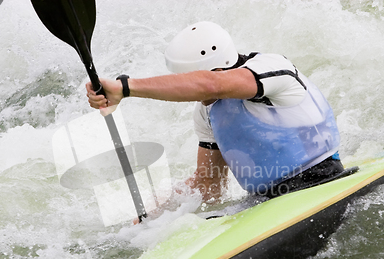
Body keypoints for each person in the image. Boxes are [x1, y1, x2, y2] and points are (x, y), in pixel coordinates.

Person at [86, 21, 344, 203]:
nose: (192, 95)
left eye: (191, 81)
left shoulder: (272, 68)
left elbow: (211, 85)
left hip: (322, 179)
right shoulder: (208, 112)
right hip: (263, 202)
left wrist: (125, 88)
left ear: (218, 70)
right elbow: (208, 186)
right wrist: (156, 210)